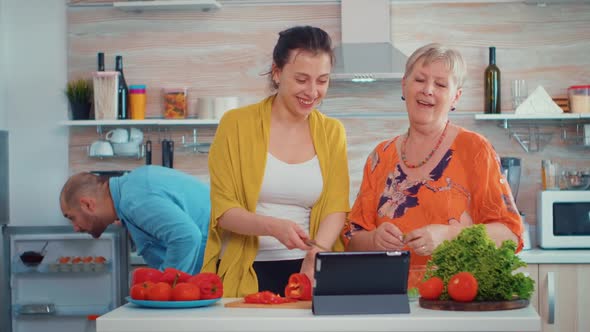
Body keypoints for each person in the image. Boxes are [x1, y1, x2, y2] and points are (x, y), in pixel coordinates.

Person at [343, 43, 523, 272]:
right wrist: (374, 240)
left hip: (456, 297)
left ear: (455, 97)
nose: (427, 90)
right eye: (419, 80)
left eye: (440, 84)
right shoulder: (381, 155)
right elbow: (353, 239)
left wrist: (449, 235)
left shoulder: (475, 149)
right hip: (391, 297)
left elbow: (510, 235)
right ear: (404, 85)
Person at [202, 25, 350, 297]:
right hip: (246, 269)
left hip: (308, 270)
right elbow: (224, 211)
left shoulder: (333, 132)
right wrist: (273, 226)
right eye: (302, 79)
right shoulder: (235, 125)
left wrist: (316, 253)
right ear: (277, 72)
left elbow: (336, 206)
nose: (313, 91)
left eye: (322, 80)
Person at [59, 165, 210, 275]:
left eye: (72, 217)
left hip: (224, 267)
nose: (76, 228)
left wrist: (165, 288)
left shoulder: (133, 200)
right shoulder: (132, 190)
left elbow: (186, 237)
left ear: (87, 204)